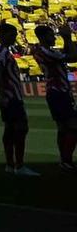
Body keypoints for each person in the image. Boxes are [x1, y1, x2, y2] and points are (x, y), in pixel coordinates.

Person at [29, 21, 77, 171]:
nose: (55, 38)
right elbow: (73, 57)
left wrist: (67, 40)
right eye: (51, 35)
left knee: (63, 128)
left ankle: (64, 160)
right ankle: (66, 160)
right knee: (73, 127)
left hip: (57, 92)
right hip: (59, 92)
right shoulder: (45, 52)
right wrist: (68, 38)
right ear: (43, 37)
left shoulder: (43, 51)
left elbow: (65, 54)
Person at [0, 23, 35, 176]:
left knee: (9, 129)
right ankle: (19, 165)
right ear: (2, 34)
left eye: (15, 35)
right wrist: (2, 95)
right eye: (11, 35)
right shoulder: (1, 51)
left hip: (10, 96)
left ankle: (10, 164)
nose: (14, 38)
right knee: (21, 128)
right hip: (11, 97)